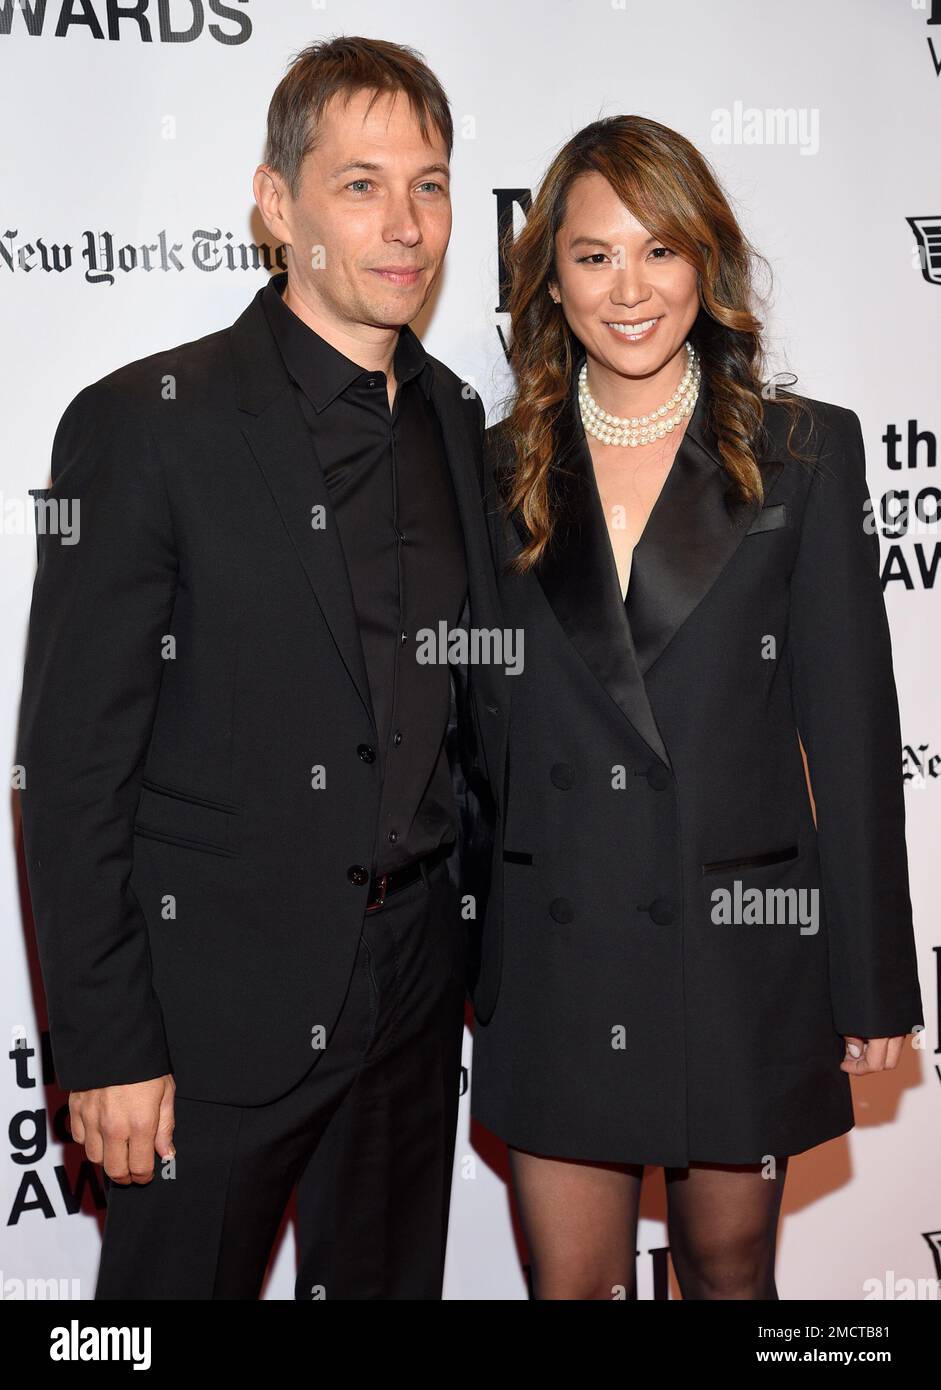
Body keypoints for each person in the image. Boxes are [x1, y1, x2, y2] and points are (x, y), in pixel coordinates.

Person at [16, 36, 504, 1300]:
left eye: (431, 183)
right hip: (206, 1015)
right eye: (359, 183)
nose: (405, 225)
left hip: (409, 1005)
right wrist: (107, 1048)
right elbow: (71, 771)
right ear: (277, 204)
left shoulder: (458, 423)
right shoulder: (145, 424)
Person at [468, 114, 924, 1300]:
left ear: (704, 265)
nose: (630, 289)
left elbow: (852, 725)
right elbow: (466, 740)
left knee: (728, 1277)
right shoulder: (490, 465)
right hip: (556, 954)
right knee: (570, 1287)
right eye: (593, 255)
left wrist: (870, 972)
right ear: (548, 280)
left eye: (659, 250)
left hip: (735, 944)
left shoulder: (801, 454)